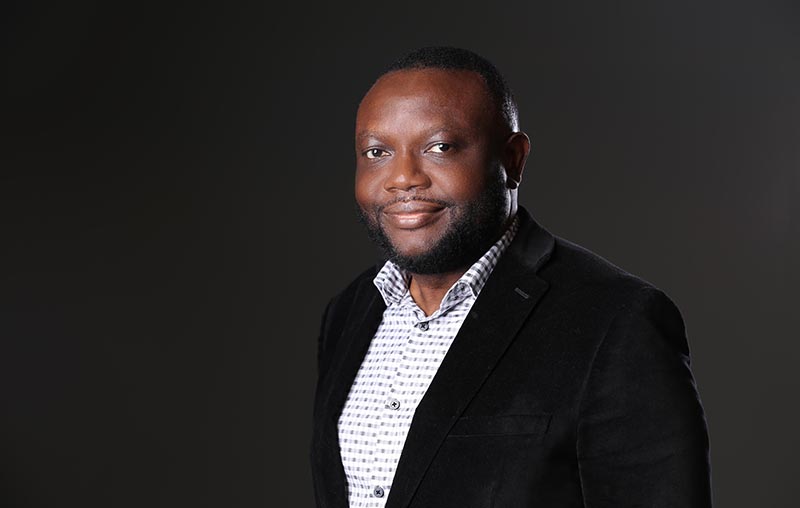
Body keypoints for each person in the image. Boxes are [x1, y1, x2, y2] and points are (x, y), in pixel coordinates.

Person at [310, 46, 712, 508]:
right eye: (377, 151)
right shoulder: (348, 313)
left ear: (514, 160)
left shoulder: (616, 321)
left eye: (440, 147)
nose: (403, 178)